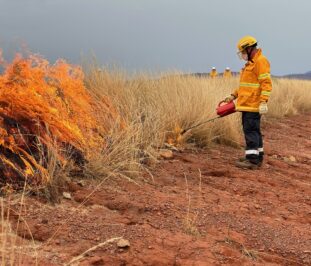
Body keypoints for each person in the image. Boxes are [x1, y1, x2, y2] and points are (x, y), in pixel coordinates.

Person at [224, 36, 272, 169]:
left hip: (253, 105)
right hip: (246, 104)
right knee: (254, 131)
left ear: (250, 48)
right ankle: (257, 156)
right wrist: (233, 96)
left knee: (250, 131)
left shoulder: (261, 62)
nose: (243, 55)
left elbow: (266, 84)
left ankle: (252, 161)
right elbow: (245, 86)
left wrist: (263, 102)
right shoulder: (250, 64)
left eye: (243, 51)